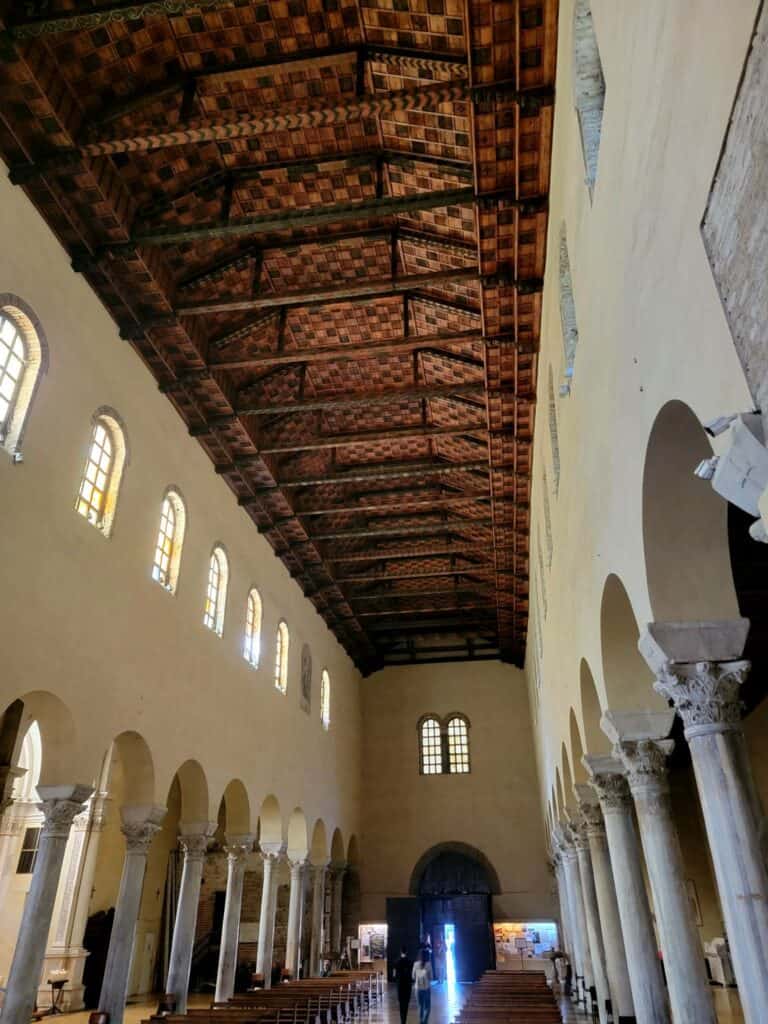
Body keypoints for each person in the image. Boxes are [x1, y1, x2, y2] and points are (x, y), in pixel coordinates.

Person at [412, 948, 433, 1024]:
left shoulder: (415, 964)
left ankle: (421, 1021)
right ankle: (425, 1022)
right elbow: (431, 977)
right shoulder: (429, 964)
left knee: (420, 1006)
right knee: (427, 1007)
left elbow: (413, 976)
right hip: (426, 988)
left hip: (417, 988)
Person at [393, 948, 414, 1024]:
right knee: (406, 1003)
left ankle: (402, 1021)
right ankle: (404, 1019)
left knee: (401, 1004)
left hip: (400, 985)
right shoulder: (410, 962)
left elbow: (394, 975)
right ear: (407, 952)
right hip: (407, 985)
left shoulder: (396, 962)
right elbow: (412, 975)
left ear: (400, 952)